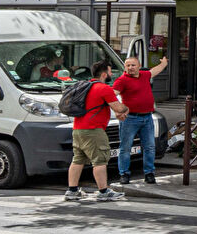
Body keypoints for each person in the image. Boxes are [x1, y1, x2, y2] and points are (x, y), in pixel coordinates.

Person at [67, 60, 127, 202]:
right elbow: (119, 108)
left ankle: (72, 191)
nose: (112, 74)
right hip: (94, 130)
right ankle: (103, 191)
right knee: (100, 160)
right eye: (111, 72)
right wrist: (126, 109)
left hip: (78, 129)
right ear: (104, 74)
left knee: (77, 159)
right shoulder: (104, 88)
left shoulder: (84, 86)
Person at [111, 55, 166, 185]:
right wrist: (117, 111)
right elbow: (111, 96)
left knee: (150, 147)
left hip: (147, 117)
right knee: (125, 148)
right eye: (128, 65)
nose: (130, 68)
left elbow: (154, 71)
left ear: (139, 66)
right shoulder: (121, 80)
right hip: (130, 119)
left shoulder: (144, 75)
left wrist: (164, 64)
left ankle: (149, 174)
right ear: (125, 67)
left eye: (133, 65)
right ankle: (124, 174)